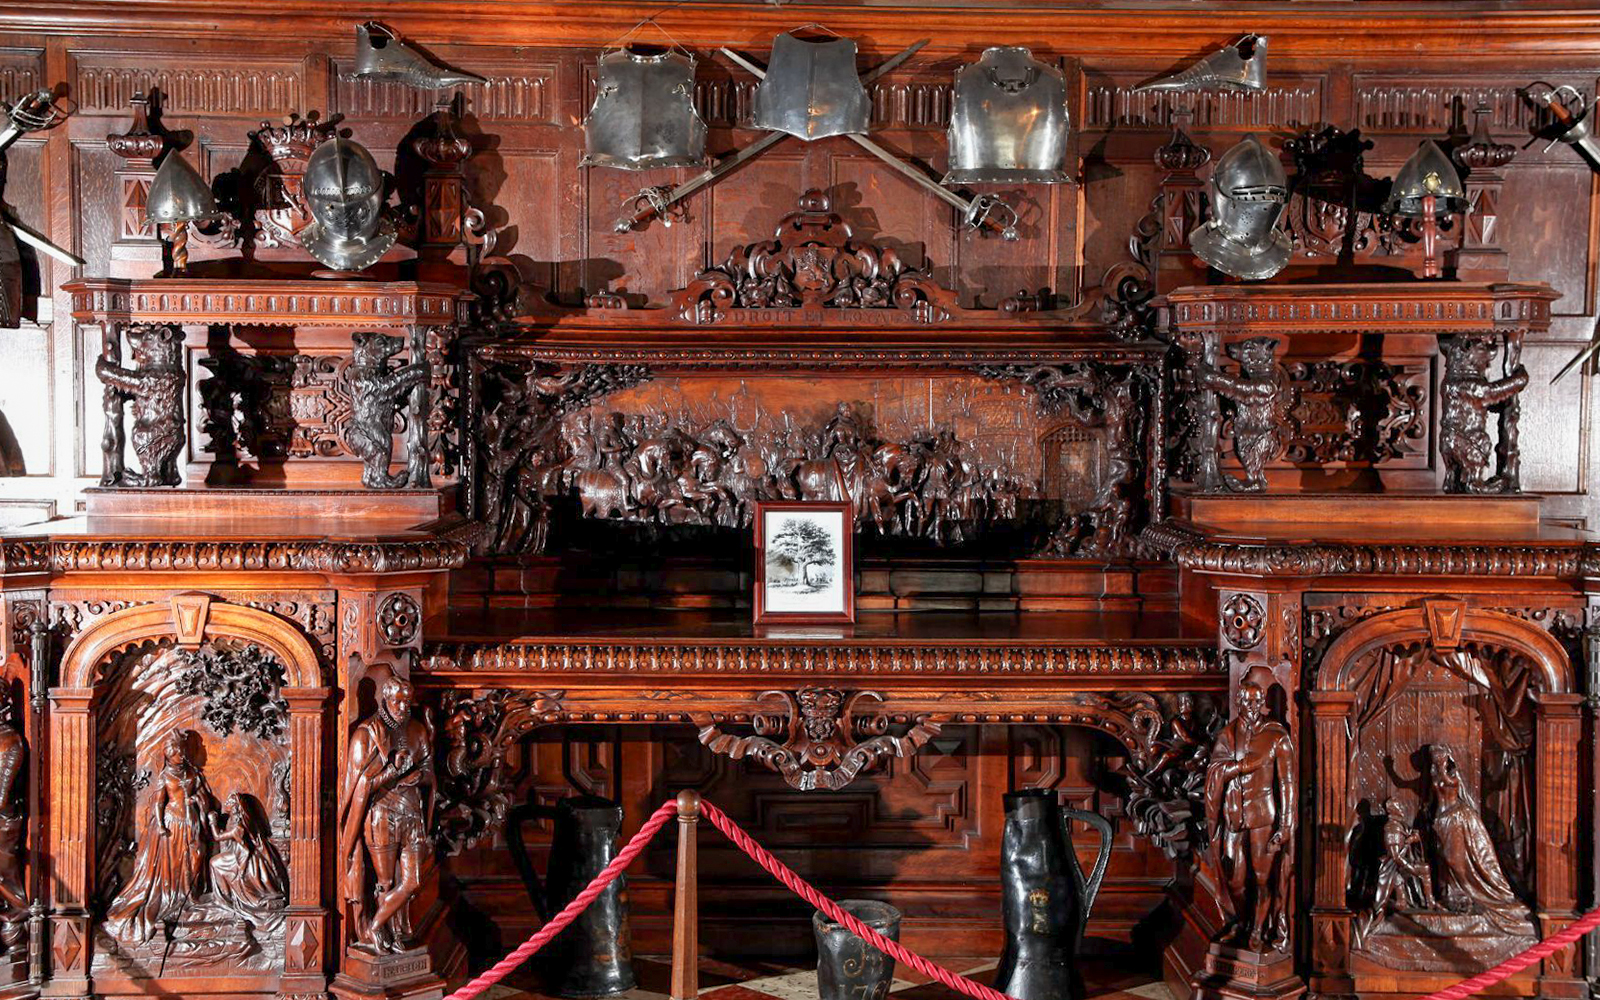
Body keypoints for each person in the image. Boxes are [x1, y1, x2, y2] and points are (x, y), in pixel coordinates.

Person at [338, 675, 435, 954]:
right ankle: (386, 934)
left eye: (408, 701)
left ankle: (377, 925)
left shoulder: (416, 730)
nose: (404, 707)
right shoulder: (367, 733)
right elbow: (360, 786)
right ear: (386, 699)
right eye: (398, 701)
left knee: (413, 882)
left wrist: (418, 776)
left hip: (411, 813)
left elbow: (430, 770)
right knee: (385, 881)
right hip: (381, 816)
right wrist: (393, 771)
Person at [1204, 665, 1296, 951]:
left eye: (1258, 701)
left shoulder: (1276, 735)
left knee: (1263, 878)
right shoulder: (1227, 736)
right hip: (1233, 819)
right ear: (1239, 702)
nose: (1254, 706)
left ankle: (1258, 930)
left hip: (1263, 818)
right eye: (1248, 701)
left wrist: (1286, 825)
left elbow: (1288, 783)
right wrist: (1240, 767)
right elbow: (1215, 771)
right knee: (1236, 880)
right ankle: (1240, 923)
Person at [106, 730, 215, 944]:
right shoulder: (166, 776)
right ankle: (178, 894)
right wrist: (162, 825)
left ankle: (192, 892)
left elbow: (205, 795)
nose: (182, 756)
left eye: (184, 752)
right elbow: (158, 802)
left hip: (191, 821)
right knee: (176, 861)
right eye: (177, 753)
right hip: (173, 822)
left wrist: (198, 800)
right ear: (168, 754)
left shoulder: (193, 773)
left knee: (197, 854)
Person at [208, 792, 288, 921]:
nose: (227, 805)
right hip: (241, 855)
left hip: (242, 858)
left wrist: (212, 821)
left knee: (214, 863)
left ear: (236, 808)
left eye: (230, 804)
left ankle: (226, 899)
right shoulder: (243, 821)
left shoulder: (238, 827)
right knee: (216, 862)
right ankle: (225, 896)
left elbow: (217, 837)